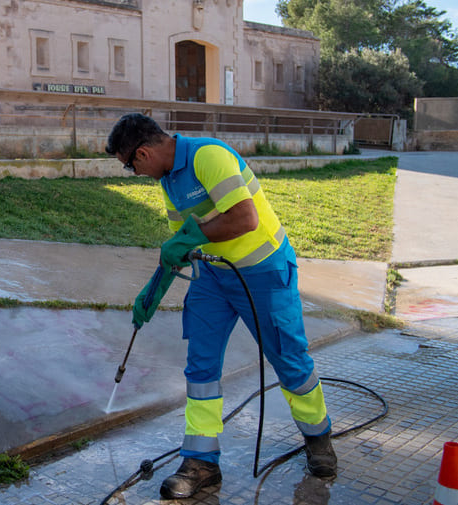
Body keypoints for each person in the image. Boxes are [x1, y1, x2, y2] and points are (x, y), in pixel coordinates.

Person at [105, 113, 336, 500]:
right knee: (201, 367)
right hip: (212, 277)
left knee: (290, 361)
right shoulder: (169, 181)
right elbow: (183, 242)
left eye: (130, 166)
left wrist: (190, 236)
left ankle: (318, 439)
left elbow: (244, 219)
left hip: (262, 271)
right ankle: (201, 463)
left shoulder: (208, 157)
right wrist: (154, 289)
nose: (135, 173)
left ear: (142, 154)